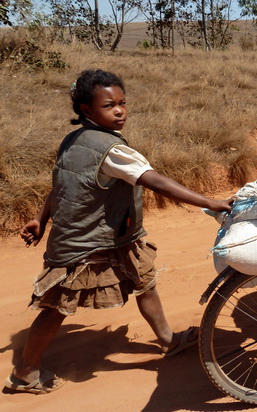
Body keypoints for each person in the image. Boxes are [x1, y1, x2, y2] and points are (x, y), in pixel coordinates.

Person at [4, 69, 234, 395]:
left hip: (115, 235)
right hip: (86, 243)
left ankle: (168, 340)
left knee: (144, 280)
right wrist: (209, 200)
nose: (120, 111)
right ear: (86, 110)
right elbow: (154, 180)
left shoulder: (73, 140)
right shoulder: (112, 151)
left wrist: (41, 219)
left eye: (122, 103)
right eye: (109, 105)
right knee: (56, 307)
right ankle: (25, 373)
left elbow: (59, 186)